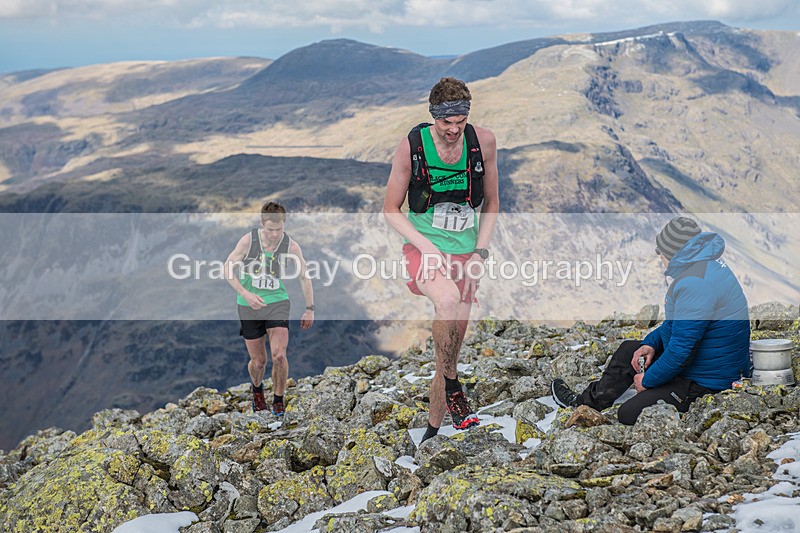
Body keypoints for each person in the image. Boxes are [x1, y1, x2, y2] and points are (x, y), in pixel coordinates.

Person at [383, 77, 499, 442]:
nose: (453, 129)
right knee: (446, 300)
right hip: (424, 246)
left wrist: (480, 251)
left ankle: (433, 430)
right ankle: (455, 386)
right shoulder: (412, 147)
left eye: (460, 121)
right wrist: (427, 247)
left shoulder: (484, 142)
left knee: (449, 346)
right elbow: (389, 210)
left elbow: (492, 203)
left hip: (465, 250)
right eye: (446, 122)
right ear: (433, 117)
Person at [551, 216, 751, 425]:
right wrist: (651, 344)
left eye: (661, 252)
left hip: (708, 382)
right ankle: (584, 404)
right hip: (708, 364)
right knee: (631, 351)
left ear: (673, 253)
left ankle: (677, 401)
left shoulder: (694, 284)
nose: (659, 257)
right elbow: (677, 326)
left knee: (628, 414)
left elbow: (681, 351)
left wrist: (648, 380)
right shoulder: (705, 266)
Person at [225, 201, 315, 416]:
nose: (275, 234)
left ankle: (278, 400)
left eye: (279, 229)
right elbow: (227, 269)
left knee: (279, 356)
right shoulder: (248, 241)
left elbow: (304, 276)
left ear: (284, 225)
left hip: (277, 302)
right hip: (248, 306)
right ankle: (257, 391)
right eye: (270, 229)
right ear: (261, 224)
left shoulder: (291, 246)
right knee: (258, 362)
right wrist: (246, 294)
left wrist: (310, 308)